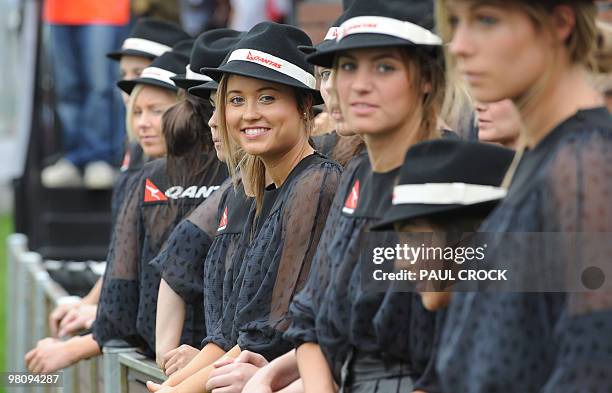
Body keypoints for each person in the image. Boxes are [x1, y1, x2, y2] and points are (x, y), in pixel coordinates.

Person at [146, 21, 342, 393]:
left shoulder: (316, 183)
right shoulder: (252, 192)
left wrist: (180, 391)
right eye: (236, 100)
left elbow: (270, 332)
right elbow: (227, 335)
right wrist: (174, 387)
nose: (249, 113)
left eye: (266, 98)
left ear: (304, 105)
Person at [275, 0, 454, 391]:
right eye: (347, 66)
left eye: (384, 67)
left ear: (427, 78)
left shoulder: (454, 177)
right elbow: (309, 317)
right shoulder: (357, 173)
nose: (359, 84)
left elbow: (461, 350)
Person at [434, 0, 612, 391]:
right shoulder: (546, 157)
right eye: (456, 23)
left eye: (485, 19)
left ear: (560, 22)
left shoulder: (587, 162)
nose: (460, 44)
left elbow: (593, 366)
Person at [25, 46, 202, 372]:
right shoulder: (144, 173)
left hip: (195, 360)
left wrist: (79, 341)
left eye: (157, 111)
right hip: (162, 359)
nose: (145, 123)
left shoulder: (200, 176)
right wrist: (91, 306)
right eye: (138, 112)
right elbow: (125, 270)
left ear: (187, 111)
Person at [47, 18, 190, 340]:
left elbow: (165, 263)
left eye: (138, 74)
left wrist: (99, 316)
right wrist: (89, 304)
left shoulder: (173, 160)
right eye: (124, 76)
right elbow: (123, 249)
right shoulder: (138, 147)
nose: (128, 89)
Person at [41, 0, 130, 189]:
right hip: (58, 10)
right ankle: (75, 158)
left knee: (100, 88)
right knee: (67, 89)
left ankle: (100, 158)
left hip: (103, 9)